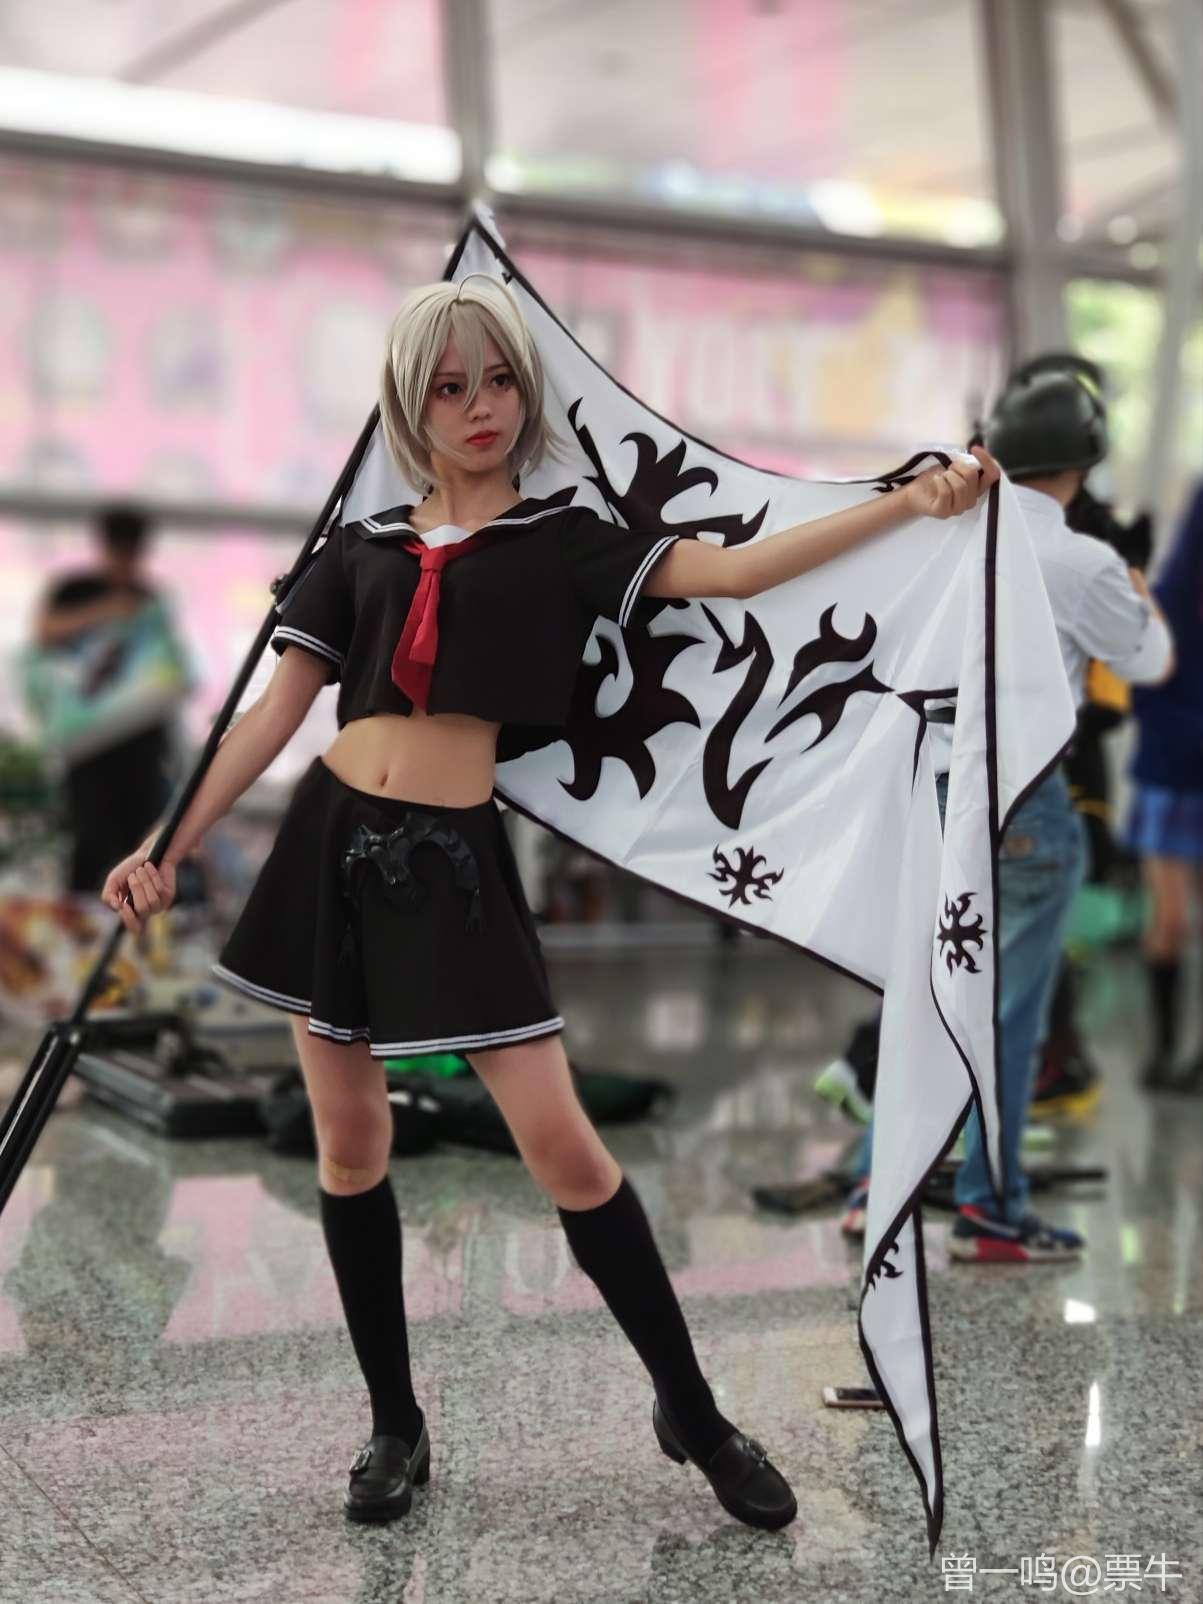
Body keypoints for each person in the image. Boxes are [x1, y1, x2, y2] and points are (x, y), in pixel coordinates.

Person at [101, 275, 997, 1529]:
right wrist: (166, 842)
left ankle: (693, 1410)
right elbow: (270, 715)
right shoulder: (358, 547)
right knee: (350, 1146)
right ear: (409, 404)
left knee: (567, 1148)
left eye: (499, 379)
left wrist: (904, 502)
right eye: (448, 386)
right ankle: (395, 1424)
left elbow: (739, 572)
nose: (480, 405)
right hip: (329, 846)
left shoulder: (564, 537)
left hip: (456, 861)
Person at [838, 366, 1174, 1262]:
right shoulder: (1079, 561)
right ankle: (987, 1208)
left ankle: (874, 1183)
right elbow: (1145, 662)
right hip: (1022, 804)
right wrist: (1137, 591)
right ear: (1083, 464)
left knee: (918, 1002)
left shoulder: (934, 544)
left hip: (925, 796)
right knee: (1004, 1018)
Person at [31, 504, 182, 894]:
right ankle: (83, 915)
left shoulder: (149, 598)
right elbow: (44, 632)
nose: (126, 562)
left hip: (141, 742)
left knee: (141, 840)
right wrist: (106, 611)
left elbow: (168, 668)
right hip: (88, 743)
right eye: (121, 552)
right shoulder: (75, 590)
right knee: (90, 837)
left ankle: (131, 917)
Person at [1124, 481, 1203, 1091]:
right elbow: (1145, 689)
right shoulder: (1172, 598)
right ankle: (1163, 1048)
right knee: (1171, 920)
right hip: (1171, 780)